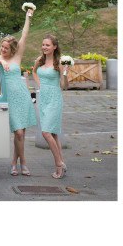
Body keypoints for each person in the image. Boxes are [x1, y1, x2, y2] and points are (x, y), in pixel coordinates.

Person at [0, 5, 38, 177]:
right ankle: (23, 162)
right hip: (8, 98)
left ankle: (14, 163)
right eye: (2, 47)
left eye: (6, 48)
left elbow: (24, 35)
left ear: (12, 49)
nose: (3, 50)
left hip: (22, 96)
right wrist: (1, 62)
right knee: (18, 132)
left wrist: (28, 17)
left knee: (21, 134)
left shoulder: (17, 57)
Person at [31, 36, 69, 179]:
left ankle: (59, 164)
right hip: (43, 98)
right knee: (53, 134)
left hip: (54, 98)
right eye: (43, 45)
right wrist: (40, 85)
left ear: (54, 47)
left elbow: (64, 86)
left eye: (47, 45)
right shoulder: (39, 60)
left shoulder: (59, 63)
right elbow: (34, 72)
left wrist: (65, 72)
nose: (44, 47)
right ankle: (62, 162)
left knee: (46, 133)